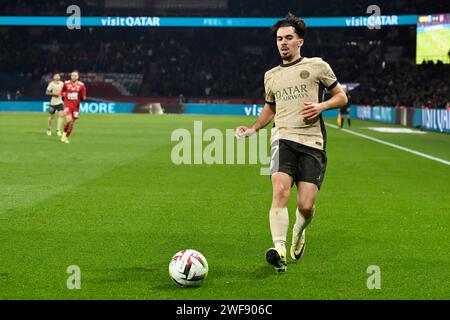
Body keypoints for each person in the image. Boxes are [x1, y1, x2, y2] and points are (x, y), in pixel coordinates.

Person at [235, 13, 348, 272]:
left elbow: (341, 97)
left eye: (288, 38)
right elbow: (270, 109)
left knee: (306, 206)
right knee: (280, 191)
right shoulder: (271, 76)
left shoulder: (318, 66)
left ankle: (299, 230)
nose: (283, 43)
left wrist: (322, 105)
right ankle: (279, 249)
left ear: (300, 42)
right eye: (279, 39)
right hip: (282, 138)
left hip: (312, 141)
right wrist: (252, 129)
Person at [60, 70, 86, 144]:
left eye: (75, 75)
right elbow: (62, 91)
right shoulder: (66, 83)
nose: (73, 77)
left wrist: (83, 97)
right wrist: (63, 94)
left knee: (71, 124)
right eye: (72, 75)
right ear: (71, 76)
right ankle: (64, 135)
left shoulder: (81, 85)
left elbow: (84, 94)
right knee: (69, 120)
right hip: (67, 105)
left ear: (78, 76)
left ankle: (66, 136)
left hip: (76, 107)